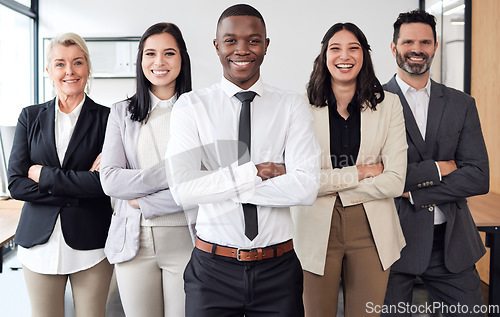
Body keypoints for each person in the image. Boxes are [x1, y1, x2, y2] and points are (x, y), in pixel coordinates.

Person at [165, 4, 321, 317]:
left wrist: (216, 181)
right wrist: (257, 173)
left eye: (253, 40)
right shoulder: (191, 106)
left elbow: (306, 188)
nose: (242, 50)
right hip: (211, 271)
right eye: (231, 40)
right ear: (216, 45)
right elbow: (182, 191)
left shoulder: (291, 105)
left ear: (266, 45)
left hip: (278, 270)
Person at [291, 23, 407, 317]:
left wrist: (327, 183)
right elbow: (300, 181)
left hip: (372, 228)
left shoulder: (389, 105)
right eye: (336, 48)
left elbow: (394, 182)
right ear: (324, 55)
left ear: (364, 55)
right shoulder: (299, 105)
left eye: (353, 48)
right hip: (315, 228)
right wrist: (360, 172)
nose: (345, 56)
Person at [382, 9, 489, 317]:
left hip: (451, 244)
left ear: (435, 46)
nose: (417, 49)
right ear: (394, 47)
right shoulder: (372, 102)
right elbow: (375, 176)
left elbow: (478, 176)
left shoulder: (461, 103)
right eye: (409, 41)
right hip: (392, 243)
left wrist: (415, 193)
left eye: (425, 42)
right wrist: (441, 169)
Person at [8, 33, 113, 317]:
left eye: (77, 63)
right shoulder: (29, 117)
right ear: (49, 71)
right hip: (37, 244)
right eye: (60, 64)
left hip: (91, 243)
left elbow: (104, 184)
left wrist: (43, 175)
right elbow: (16, 184)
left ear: (88, 68)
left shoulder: (108, 119)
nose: (69, 71)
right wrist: (80, 182)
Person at [99, 22, 196, 317]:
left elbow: (204, 186)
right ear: (141, 60)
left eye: (169, 53)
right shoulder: (121, 113)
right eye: (150, 54)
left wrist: (144, 200)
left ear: (182, 59)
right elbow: (111, 181)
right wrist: (176, 172)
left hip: (187, 240)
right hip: (134, 241)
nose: (159, 62)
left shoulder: (200, 110)